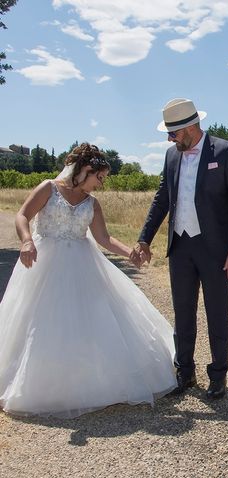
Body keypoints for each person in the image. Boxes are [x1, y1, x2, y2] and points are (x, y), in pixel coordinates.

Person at [0, 143, 177, 418]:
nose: (101, 184)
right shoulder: (48, 188)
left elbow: (104, 238)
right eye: (100, 177)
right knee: (40, 320)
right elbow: (23, 215)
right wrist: (25, 241)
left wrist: (130, 252)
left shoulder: (92, 204)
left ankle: (86, 379)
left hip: (82, 263)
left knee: (87, 319)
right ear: (85, 170)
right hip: (44, 262)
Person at [134, 98, 228, 400]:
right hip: (180, 246)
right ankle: (184, 372)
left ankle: (218, 375)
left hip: (215, 249)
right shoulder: (172, 156)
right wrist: (144, 238)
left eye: (173, 133)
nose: (169, 139)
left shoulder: (225, 152)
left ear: (189, 127)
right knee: (183, 312)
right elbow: (162, 199)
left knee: (217, 313)